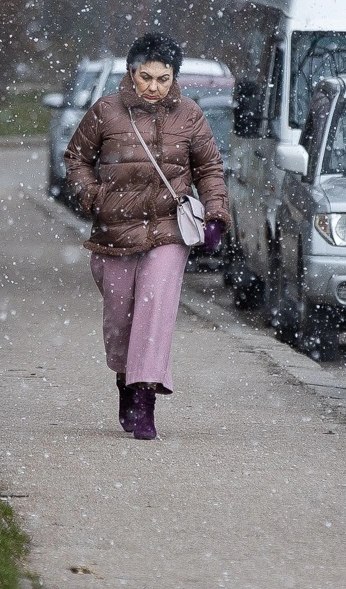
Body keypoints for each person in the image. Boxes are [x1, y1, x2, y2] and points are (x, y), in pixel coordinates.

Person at [64, 32, 230, 440]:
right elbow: (76, 159)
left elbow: (210, 169)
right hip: (114, 232)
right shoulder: (105, 111)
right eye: (146, 77)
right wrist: (93, 196)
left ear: (175, 77)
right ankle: (125, 378)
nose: (154, 87)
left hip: (167, 230)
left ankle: (144, 397)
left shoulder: (190, 115)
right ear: (131, 73)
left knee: (155, 308)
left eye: (163, 78)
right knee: (119, 319)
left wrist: (214, 216)